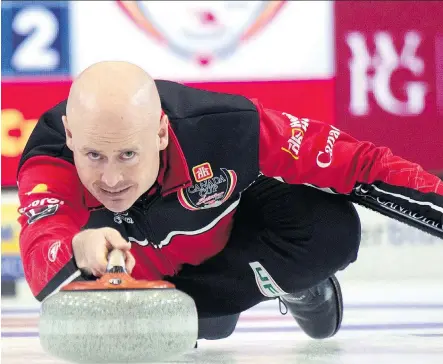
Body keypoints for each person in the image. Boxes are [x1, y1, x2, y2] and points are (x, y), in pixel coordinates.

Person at [17, 61, 443, 341]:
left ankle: (290, 285)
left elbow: (360, 164)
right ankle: (198, 315)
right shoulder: (48, 160)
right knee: (74, 299)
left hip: (229, 246)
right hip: (140, 287)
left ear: (161, 132)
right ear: (71, 136)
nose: (110, 178)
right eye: (94, 156)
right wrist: (75, 251)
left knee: (331, 229)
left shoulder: (226, 127)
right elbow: (40, 256)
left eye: (129, 154)